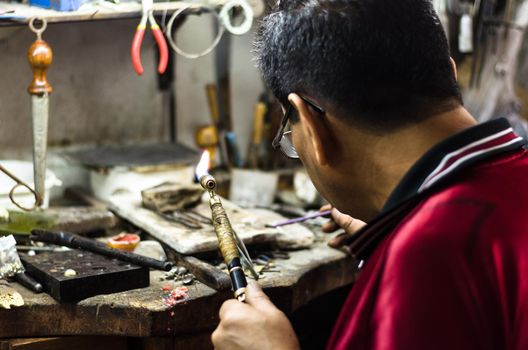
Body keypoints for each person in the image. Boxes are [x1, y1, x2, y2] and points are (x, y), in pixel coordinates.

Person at [212, 0, 528, 349]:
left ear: (314, 127)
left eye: (290, 130)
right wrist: (392, 231)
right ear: (450, 73)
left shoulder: (425, 259)